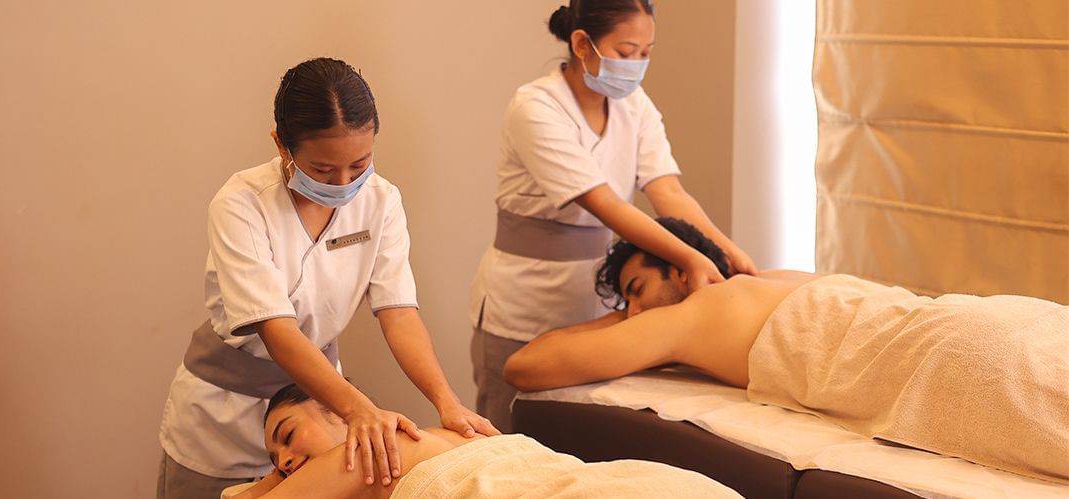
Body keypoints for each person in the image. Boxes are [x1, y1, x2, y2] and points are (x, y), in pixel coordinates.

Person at [503, 217, 1069, 484]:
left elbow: (526, 365)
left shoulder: (695, 313)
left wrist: (608, 324)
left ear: (680, 267)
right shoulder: (781, 276)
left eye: (635, 292)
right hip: (994, 318)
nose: (632, 317)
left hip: (960, 361)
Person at [157, 57, 497, 499]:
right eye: (322, 170)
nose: (343, 184)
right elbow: (277, 329)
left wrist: (445, 401)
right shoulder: (241, 204)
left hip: (320, 408)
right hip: (226, 412)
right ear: (283, 146)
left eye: (359, 164)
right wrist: (361, 410)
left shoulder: (382, 201)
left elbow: (399, 314)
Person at [469, 0, 757, 432]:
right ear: (583, 44)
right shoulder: (536, 108)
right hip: (526, 299)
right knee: (509, 438)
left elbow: (669, 191)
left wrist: (728, 254)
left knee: (578, 440)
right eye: (625, 52)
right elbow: (606, 205)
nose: (637, 65)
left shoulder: (635, 105)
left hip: (598, 301)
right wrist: (694, 259)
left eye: (646, 53)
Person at [223, 383, 739, 498]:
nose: (285, 460)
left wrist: (270, 479)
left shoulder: (374, 446)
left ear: (343, 410)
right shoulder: (440, 432)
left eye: (287, 437)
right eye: (274, 458)